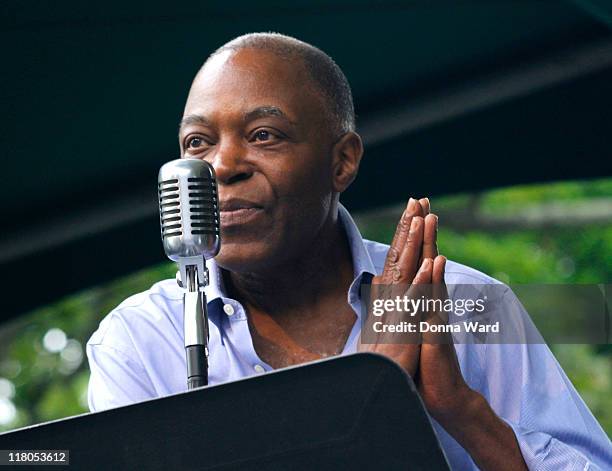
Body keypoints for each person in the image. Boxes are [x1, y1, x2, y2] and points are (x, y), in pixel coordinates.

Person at [86, 33, 611, 470]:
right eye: (197, 143)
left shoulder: (466, 302)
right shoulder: (139, 341)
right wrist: (366, 394)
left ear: (342, 161)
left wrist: (463, 411)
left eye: (264, 135)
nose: (222, 166)